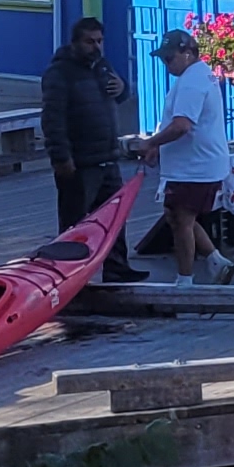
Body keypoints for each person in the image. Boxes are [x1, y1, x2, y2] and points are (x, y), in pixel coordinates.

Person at [42, 18, 146, 282]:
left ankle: (117, 268)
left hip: (108, 158)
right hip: (80, 162)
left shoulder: (102, 65)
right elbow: (53, 119)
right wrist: (61, 157)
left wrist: (123, 87)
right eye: (90, 42)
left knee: (114, 218)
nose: (96, 47)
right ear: (75, 43)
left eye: (99, 41)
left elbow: (120, 93)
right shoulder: (59, 74)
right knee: (75, 223)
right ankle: (69, 275)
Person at [128, 28, 234, 284]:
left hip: (195, 166)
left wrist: (150, 143)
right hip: (195, 163)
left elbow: (182, 125)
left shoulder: (191, 82)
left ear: (187, 53)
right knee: (175, 214)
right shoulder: (198, 75)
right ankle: (215, 261)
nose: (166, 64)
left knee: (182, 220)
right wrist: (158, 148)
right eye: (163, 58)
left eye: (170, 58)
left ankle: (185, 280)